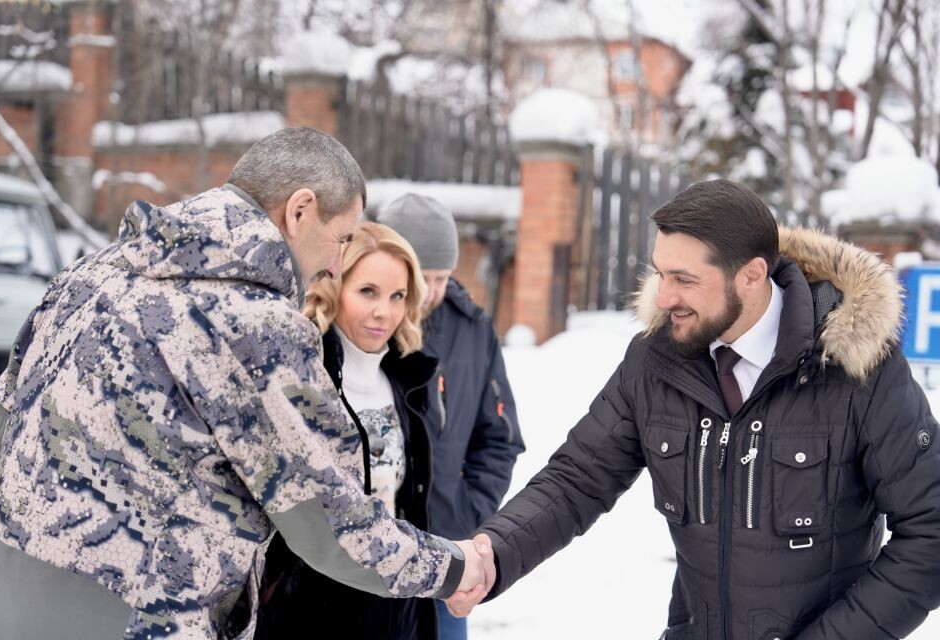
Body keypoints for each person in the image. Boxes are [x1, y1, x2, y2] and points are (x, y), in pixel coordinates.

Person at [0, 127, 493, 640]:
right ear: (299, 210)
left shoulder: (95, 272)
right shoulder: (257, 326)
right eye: (340, 240)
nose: (336, 265)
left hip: (2, 589)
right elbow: (330, 520)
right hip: (138, 614)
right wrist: (452, 567)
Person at [450, 179, 940, 639]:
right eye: (661, 273)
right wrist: (495, 551)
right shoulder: (656, 360)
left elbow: (931, 531)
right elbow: (578, 478)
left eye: (684, 279)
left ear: (751, 276)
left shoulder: (855, 369)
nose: (664, 297)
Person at [256, 221, 443, 639]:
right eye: (368, 292)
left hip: (393, 607)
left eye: (398, 296)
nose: (385, 312)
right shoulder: (302, 375)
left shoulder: (408, 382)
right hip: (306, 609)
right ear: (333, 287)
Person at [378, 192, 526, 640]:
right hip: (369, 556)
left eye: (442, 276)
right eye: (422, 276)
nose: (434, 290)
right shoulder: (363, 321)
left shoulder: (473, 327)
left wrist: (468, 514)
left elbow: (499, 439)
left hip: (445, 557)